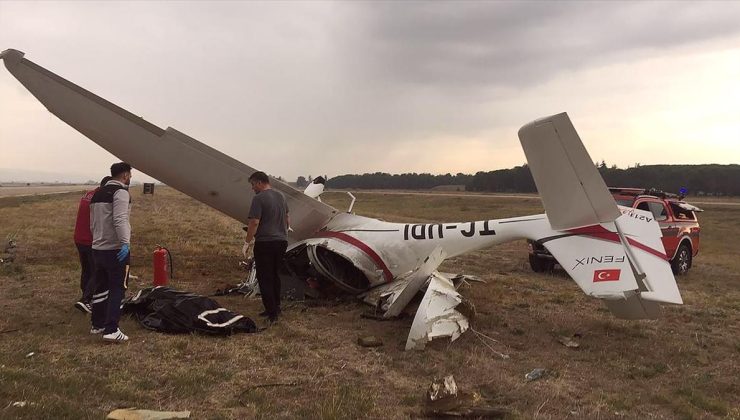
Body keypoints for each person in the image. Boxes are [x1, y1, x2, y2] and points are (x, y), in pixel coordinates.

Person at [89, 162, 133, 342]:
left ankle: (97, 324)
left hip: (97, 247)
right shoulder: (121, 192)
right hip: (115, 249)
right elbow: (120, 219)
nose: (130, 177)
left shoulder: (97, 193)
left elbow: (93, 223)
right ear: (125, 176)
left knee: (100, 287)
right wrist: (125, 243)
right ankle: (111, 329)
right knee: (117, 289)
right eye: (130, 174)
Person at [244, 171, 289, 323]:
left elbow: (254, 222)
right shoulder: (281, 196)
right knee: (275, 276)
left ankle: (272, 314)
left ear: (259, 183)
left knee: (265, 277)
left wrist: (247, 242)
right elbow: (287, 219)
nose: (252, 188)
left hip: (265, 243)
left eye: (252, 185)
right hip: (281, 242)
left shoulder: (258, 198)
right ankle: (276, 307)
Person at [73, 176, 111, 314]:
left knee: (87, 269)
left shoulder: (88, 194)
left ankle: (85, 296)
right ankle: (86, 299)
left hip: (79, 238)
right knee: (97, 270)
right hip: (91, 239)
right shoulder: (101, 198)